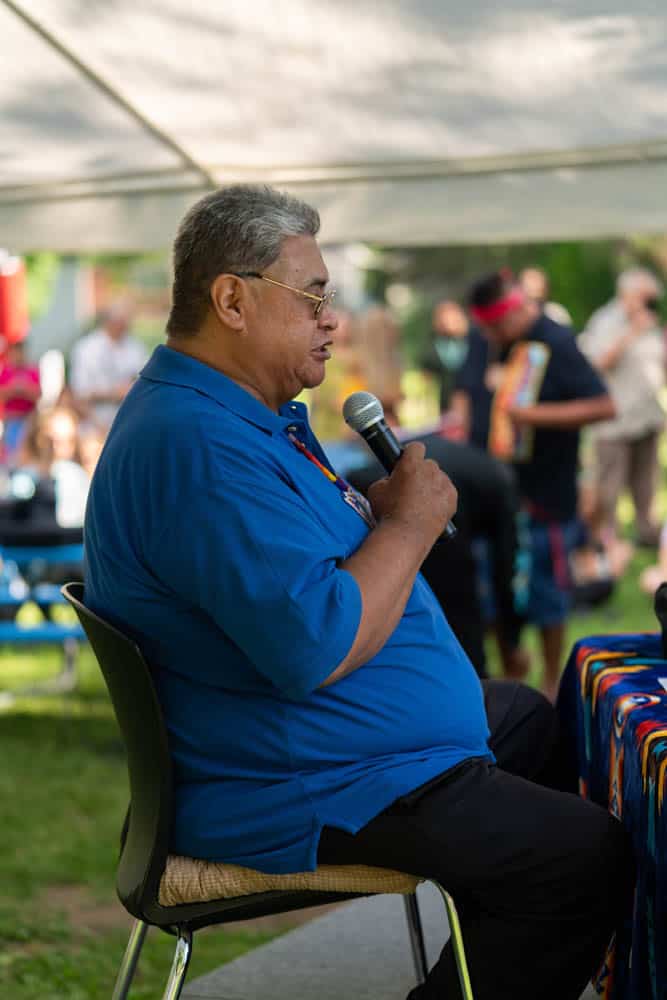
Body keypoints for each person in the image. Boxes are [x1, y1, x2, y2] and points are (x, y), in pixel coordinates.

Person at [84, 185, 632, 1000]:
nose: (330, 319)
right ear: (230, 300)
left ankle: (501, 944)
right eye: (311, 296)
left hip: (334, 745)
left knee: (523, 718)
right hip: (295, 775)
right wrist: (406, 527)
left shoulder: (234, 417)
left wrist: (374, 522)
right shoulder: (193, 444)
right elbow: (314, 645)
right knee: (581, 856)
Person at [451, 270, 615, 701]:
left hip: (547, 494)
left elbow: (604, 405)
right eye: (488, 328)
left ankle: (548, 680)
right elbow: (466, 392)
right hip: (489, 495)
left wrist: (530, 415)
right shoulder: (482, 341)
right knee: (492, 590)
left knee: (548, 592)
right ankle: (510, 672)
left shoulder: (555, 340)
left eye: (502, 325)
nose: (494, 335)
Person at [579, 267, 666, 549]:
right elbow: (597, 364)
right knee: (609, 486)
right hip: (614, 419)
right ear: (627, 294)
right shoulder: (605, 321)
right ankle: (605, 540)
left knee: (645, 482)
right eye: (645, 297)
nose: (650, 303)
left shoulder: (651, 321)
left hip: (646, 416)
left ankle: (646, 532)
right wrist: (631, 333)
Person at [69, 300, 148, 428]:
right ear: (109, 321)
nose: (125, 326)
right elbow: (79, 394)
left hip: (128, 424)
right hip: (94, 424)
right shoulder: (86, 349)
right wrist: (114, 393)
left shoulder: (135, 347)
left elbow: (143, 381)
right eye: (120, 321)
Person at [419, 299, 471, 413]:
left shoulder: (472, 341)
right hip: (445, 401)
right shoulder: (434, 345)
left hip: (470, 400)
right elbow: (426, 378)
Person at [0, 339, 41, 460]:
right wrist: (13, 389)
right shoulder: (6, 372)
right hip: (11, 420)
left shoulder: (32, 371)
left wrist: (24, 389)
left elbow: (38, 394)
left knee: (27, 450)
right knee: (10, 452)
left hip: (28, 419)